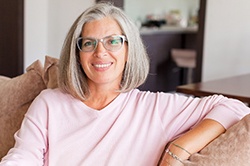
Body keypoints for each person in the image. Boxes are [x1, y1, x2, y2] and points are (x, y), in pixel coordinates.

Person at [1, 2, 250, 166]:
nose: (100, 52)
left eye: (113, 41)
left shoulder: (154, 108)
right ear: (77, 54)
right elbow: (22, 158)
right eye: (89, 43)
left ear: (129, 50)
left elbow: (234, 108)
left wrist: (178, 149)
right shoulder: (49, 103)